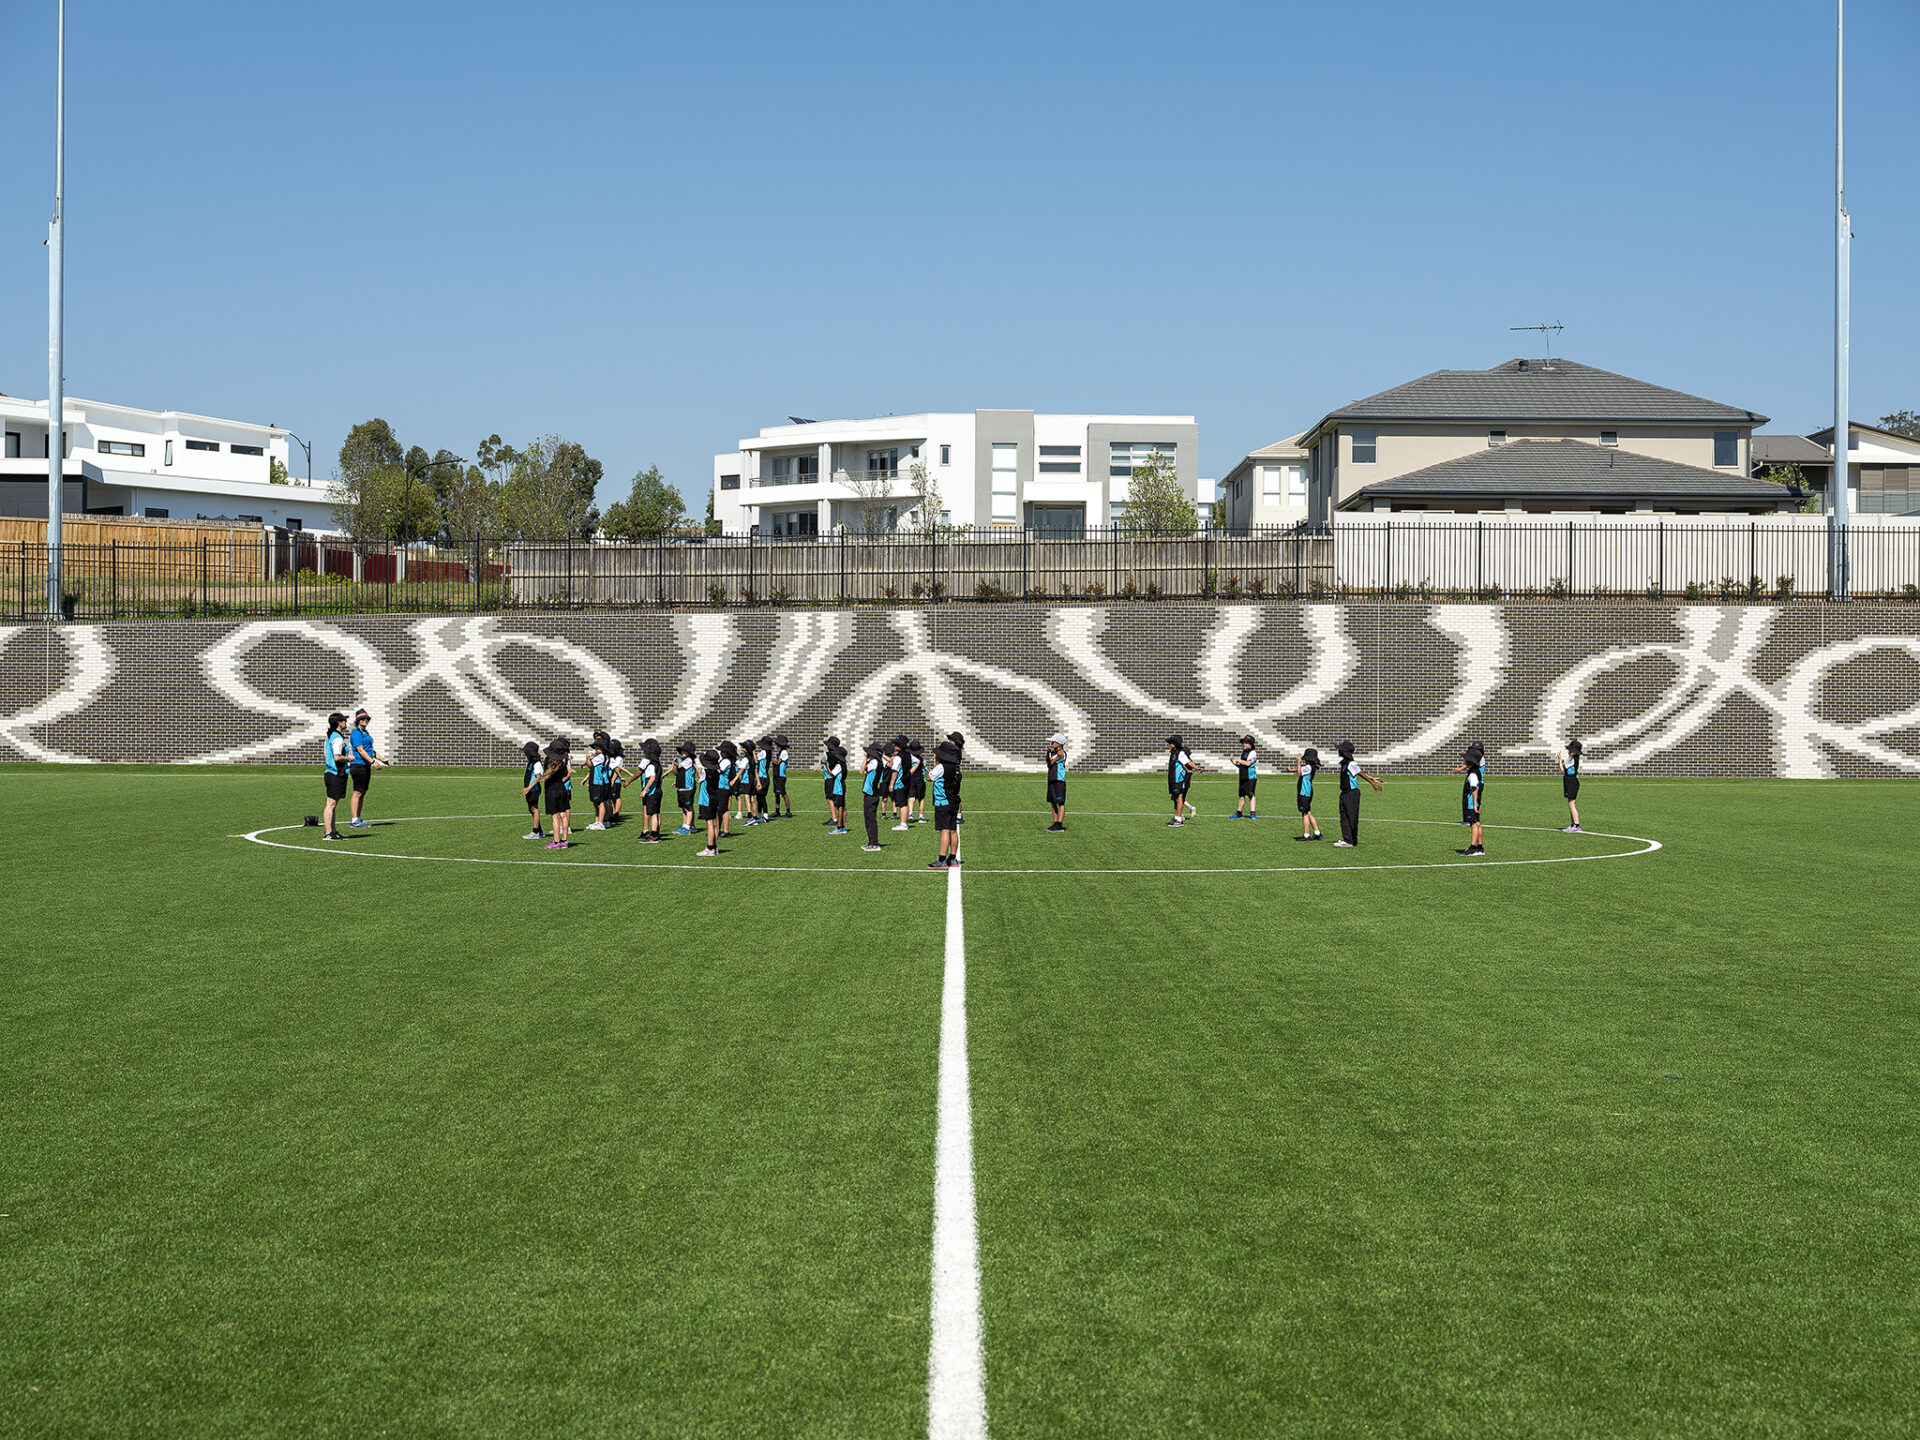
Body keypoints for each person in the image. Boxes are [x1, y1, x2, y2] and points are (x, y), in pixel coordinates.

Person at [1332, 740, 1382, 848]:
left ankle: (1351, 840)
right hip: (1344, 793)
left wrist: (1372, 783)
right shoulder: (1344, 763)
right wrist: (1373, 778)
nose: (1338, 751)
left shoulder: (1351, 763)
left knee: (1351, 816)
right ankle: (1347, 839)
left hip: (1351, 793)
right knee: (1344, 816)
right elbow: (1358, 772)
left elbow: (1360, 773)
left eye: (1340, 750)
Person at [346, 708, 389, 828]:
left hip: (365, 765)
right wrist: (373, 762)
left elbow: (370, 750)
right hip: (358, 765)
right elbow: (360, 750)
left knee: (362, 792)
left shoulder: (365, 733)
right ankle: (354, 820)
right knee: (357, 792)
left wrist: (382, 759)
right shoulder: (356, 733)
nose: (365, 720)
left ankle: (358, 818)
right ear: (358, 720)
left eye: (367, 719)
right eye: (362, 719)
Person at [928, 741, 962, 868]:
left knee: (944, 831)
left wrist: (934, 766)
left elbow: (929, 777)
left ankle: (942, 859)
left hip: (943, 802)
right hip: (953, 801)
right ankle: (952, 858)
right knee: (953, 830)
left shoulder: (941, 767)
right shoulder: (956, 768)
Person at [1451, 742, 1487, 856]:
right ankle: (1480, 847)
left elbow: (1469, 763)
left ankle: (1473, 847)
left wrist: (1460, 768)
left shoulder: (1478, 762)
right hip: (1477, 784)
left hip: (1475, 788)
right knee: (1477, 822)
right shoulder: (1478, 760)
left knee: (1474, 822)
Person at [321, 712, 352, 841]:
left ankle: (332, 831)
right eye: (343, 720)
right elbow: (337, 757)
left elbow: (325, 755)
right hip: (336, 773)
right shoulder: (337, 738)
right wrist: (349, 758)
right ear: (339, 723)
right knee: (331, 804)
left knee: (332, 804)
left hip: (330, 772)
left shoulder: (329, 736)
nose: (345, 722)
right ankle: (329, 833)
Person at [541, 738, 575, 849]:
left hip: (551, 790)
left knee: (555, 817)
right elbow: (565, 774)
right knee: (563, 815)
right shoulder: (562, 763)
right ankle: (564, 840)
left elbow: (546, 775)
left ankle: (556, 841)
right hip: (562, 788)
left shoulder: (547, 762)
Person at [1165, 734, 1198, 826]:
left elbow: (1188, 762)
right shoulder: (1173, 752)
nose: (1169, 744)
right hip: (1172, 779)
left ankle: (1179, 820)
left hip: (1177, 779)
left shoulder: (1180, 753)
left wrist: (1196, 768)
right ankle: (1176, 818)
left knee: (1179, 798)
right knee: (1175, 798)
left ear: (1176, 743)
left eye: (1171, 742)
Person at [585, 731, 614, 831]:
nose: (596, 749)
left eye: (598, 747)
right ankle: (598, 821)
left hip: (598, 782)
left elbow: (590, 764)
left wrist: (587, 758)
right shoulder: (603, 756)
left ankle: (601, 822)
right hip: (597, 781)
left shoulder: (601, 757)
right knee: (596, 802)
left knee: (600, 802)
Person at [637, 738, 665, 842]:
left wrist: (645, 790)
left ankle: (654, 836)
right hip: (658, 791)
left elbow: (652, 778)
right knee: (656, 813)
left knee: (653, 814)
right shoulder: (658, 764)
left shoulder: (650, 765)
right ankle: (656, 833)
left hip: (652, 792)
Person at [1293, 747, 1323, 842]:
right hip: (1308, 791)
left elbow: (1299, 773)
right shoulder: (1311, 767)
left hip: (1304, 792)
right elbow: (1300, 771)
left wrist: (1298, 761)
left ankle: (1306, 835)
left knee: (1304, 814)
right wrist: (1291, 770)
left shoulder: (1308, 767)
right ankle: (1317, 833)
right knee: (1308, 812)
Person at [696, 748, 722, 856]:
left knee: (709, 824)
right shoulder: (716, 772)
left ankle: (710, 848)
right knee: (715, 824)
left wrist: (697, 768)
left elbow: (700, 777)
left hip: (706, 800)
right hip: (715, 798)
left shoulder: (705, 773)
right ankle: (714, 847)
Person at [518, 739, 545, 840]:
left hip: (534, 789)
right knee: (531, 809)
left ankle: (535, 831)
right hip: (529, 789)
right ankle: (540, 830)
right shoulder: (530, 762)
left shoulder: (537, 764)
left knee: (534, 808)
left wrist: (528, 788)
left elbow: (538, 778)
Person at [860, 742, 885, 851]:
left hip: (871, 794)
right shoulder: (877, 762)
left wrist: (866, 759)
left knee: (870, 819)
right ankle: (871, 842)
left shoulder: (874, 762)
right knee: (869, 818)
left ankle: (874, 843)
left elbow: (861, 771)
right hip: (872, 793)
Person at [1045, 733, 1068, 832]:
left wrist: (1057, 757)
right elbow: (1049, 764)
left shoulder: (1063, 754)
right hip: (1051, 778)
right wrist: (1047, 753)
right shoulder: (1052, 753)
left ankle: (1059, 824)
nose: (1051, 743)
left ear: (1059, 744)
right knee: (1052, 802)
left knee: (1060, 802)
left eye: (1053, 742)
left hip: (1059, 780)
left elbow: (1052, 762)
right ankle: (1055, 823)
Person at [674, 742, 698, 836]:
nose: (683, 752)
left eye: (685, 750)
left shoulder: (688, 760)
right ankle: (686, 825)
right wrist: (674, 764)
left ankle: (687, 827)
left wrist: (676, 763)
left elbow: (678, 767)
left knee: (688, 807)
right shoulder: (682, 760)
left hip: (687, 787)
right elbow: (675, 772)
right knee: (683, 807)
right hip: (681, 786)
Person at [1233, 735, 1259, 819]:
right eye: (1244, 742)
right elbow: (1240, 765)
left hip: (1250, 777)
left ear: (1251, 744)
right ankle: (1239, 812)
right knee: (1241, 795)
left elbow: (1248, 763)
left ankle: (1253, 813)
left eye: (1246, 742)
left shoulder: (1253, 752)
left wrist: (1239, 760)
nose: (1244, 744)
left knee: (1251, 795)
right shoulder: (1244, 752)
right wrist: (1233, 761)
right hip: (1243, 777)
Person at [825, 741, 849, 834]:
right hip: (842, 786)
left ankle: (839, 827)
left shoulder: (839, 765)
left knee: (839, 807)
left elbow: (832, 773)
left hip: (838, 787)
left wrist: (826, 764)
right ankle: (843, 826)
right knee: (843, 807)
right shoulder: (844, 765)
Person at [1560, 739, 1584, 832]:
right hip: (1568, 782)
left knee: (1571, 804)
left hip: (1571, 782)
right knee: (1571, 804)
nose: (1569, 751)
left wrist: (1560, 762)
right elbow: (1563, 769)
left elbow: (1563, 769)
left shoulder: (1573, 759)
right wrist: (1560, 761)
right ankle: (1573, 824)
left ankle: (1576, 825)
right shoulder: (1570, 759)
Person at [716, 740, 737, 838]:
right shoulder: (726, 761)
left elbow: (718, 771)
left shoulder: (726, 761)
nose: (721, 753)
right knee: (720, 810)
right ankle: (718, 830)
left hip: (723, 787)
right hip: (722, 787)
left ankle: (726, 831)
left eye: (723, 751)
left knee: (723, 810)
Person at [889, 739, 912, 832]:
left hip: (900, 782)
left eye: (896, 744)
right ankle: (904, 822)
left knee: (902, 803)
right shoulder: (908, 755)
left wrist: (891, 784)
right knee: (904, 803)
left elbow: (895, 771)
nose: (894, 746)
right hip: (907, 781)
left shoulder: (898, 757)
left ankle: (903, 824)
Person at [946, 731, 966, 824]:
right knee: (950, 794)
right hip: (952, 773)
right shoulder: (954, 750)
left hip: (954, 774)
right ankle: (953, 814)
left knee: (954, 795)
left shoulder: (955, 751)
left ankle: (958, 815)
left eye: (952, 740)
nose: (950, 741)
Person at [606, 737, 627, 825]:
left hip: (616, 780)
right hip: (608, 779)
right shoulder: (608, 757)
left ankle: (616, 813)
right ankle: (612, 813)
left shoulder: (619, 758)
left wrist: (613, 780)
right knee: (610, 798)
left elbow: (617, 769)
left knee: (616, 797)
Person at [906, 740, 927, 823]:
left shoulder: (908, 758)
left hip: (911, 780)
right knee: (921, 798)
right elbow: (924, 768)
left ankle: (910, 813)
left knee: (911, 797)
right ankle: (921, 816)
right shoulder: (922, 759)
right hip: (921, 780)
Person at [773, 733, 793, 818]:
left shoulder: (784, 752)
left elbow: (778, 762)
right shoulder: (780, 752)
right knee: (777, 793)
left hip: (781, 776)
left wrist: (774, 761)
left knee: (783, 793)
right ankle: (777, 811)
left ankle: (788, 811)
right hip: (777, 775)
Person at [755, 736, 774, 822]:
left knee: (761, 797)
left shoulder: (763, 752)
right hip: (765, 777)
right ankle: (759, 815)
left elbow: (755, 759)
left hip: (762, 777)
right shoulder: (768, 753)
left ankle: (765, 816)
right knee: (760, 797)